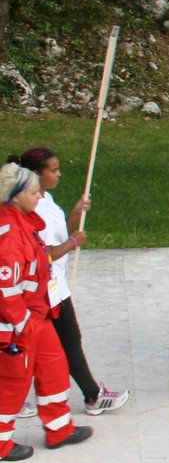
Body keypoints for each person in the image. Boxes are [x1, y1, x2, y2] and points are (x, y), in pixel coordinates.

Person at [11, 149, 127, 414]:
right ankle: (93, 396)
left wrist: (75, 213)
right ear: (37, 174)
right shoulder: (30, 207)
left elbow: (60, 229)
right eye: (53, 170)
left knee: (45, 344)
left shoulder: (45, 198)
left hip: (55, 286)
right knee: (66, 342)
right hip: (45, 290)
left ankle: (19, 398)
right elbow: (44, 252)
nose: (59, 173)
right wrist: (73, 243)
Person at [0, 161, 92, 459]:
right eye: (35, 193)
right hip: (18, 325)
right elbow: (6, 290)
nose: (40, 197)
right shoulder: (10, 236)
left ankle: (59, 427)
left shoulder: (23, 224)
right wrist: (23, 323)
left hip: (35, 318)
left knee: (53, 366)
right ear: (16, 196)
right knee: (13, 383)